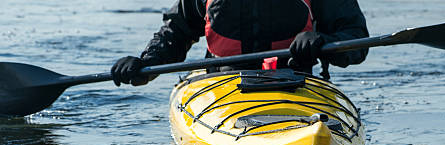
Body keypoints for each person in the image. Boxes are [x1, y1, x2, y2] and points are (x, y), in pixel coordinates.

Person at [111, 0, 369, 86]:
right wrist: (146, 63)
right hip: (221, 89)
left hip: (295, 83)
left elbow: (356, 38)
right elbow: (176, 32)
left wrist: (322, 41)